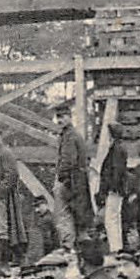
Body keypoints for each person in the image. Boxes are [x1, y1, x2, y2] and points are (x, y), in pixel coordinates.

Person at [50, 101, 95, 249]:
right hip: (77, 181)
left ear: (70, 117)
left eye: (63, 116)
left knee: (64, 215)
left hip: (70, 181)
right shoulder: (70, 134)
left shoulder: (69, 135)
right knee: (78, 216)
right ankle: (78, 249)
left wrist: (62, 179)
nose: (60, 120)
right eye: (58, 117)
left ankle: (68, 248)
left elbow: (68, 161)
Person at [0, 126, 28, 265]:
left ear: (1, 136)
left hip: (6, 195)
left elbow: (12, 175)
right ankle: (6, 260)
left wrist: (0, 192)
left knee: (7, 227)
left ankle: (8, 261)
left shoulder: (6, 153)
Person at [97, 124, 129, 254]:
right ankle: (117, 246)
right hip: (118, 188)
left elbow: (116, 169)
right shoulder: (120, 147)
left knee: (111, 219)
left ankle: (115, 248)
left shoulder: (116, 149)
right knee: (114, 217)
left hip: (114, 189)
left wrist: (112, 187)